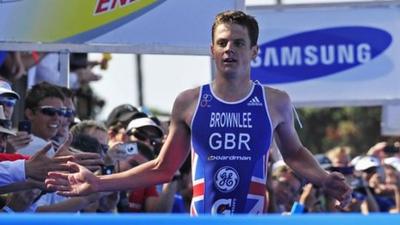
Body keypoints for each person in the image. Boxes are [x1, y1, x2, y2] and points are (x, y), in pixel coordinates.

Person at [46, 10, 351, 215]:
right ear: (212, 49)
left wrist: (324, 178)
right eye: (222, 43)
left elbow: (294, 153)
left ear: (254, 51)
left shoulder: (275, 101)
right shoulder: (190, 102)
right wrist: (100, 183)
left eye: (238, 43)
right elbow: (162, 168)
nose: (229, 49)